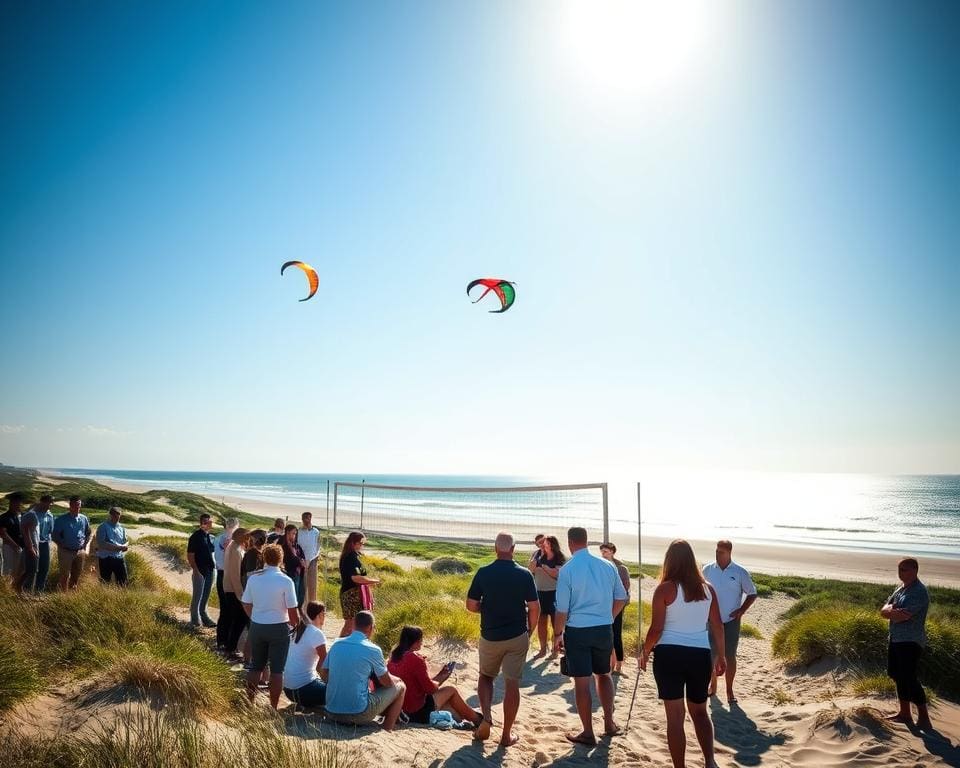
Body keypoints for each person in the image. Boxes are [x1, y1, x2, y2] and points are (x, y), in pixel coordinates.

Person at [640, 540, 726, 768]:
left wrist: (645, 651)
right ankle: (709, 761)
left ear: (669, 560)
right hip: (699, 655)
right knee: (700, 712)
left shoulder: (665, 588)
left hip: (669, 655)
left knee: (675, 718)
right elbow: (717, 624)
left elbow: (656, 628)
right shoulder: (708, 589)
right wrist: (722, 655)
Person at [554, 527, 628, 747]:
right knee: (604, 675)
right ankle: (609, 722)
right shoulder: (607, 565)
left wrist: (558, 634)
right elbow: (621, 597)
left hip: (578, 630)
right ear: (586, 542)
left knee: (581, 682)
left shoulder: (568, 570)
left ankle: (588, 732)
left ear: (570, 543)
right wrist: (609, 617)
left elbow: (562, 611)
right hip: (603, 627)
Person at [465, 531, 539, 747]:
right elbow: (534, 607)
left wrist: (485, 609)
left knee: (486, 677)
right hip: (516, 635)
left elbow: (470, 605)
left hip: (490, 635)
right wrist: (530, 630)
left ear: (495, 549)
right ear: (513, 549)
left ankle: (486, 717)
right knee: (512, 683)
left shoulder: (484, 572)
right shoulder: (524, 574)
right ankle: (506, 735)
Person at [321, 610, 406, 730]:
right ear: (371, 628)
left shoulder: (336, 644)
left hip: (331, 711)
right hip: (358, 713)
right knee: (401, 687)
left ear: (354, 624)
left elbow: (324, 674)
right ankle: (388, 727)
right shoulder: (373, 649)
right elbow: (386, 682)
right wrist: (396, 679)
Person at [240, 543, 301, 709]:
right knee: (277, 670)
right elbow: (292, 611)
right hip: (279, 627)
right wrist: (295, 626)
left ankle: (249, 702)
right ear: (281, 559)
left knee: (256, 666)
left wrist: (255, 616)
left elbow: (245, 602)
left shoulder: (254, 578)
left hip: (258, 626)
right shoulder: (286, 581)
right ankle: (273, 706)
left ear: (264, 558)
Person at [388, 625, 483, 727]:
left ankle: (468, 719)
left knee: (452, 710)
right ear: (416, 642)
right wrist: (442, 678)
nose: (422, 642)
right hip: (417, 712)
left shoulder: (393, 658)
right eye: (421, 639)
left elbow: (419, 686)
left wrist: (440, 676)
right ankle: (478, 719)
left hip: (400, 710)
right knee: (451, 690)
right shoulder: (415, 659)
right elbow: (430, 689)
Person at [702, 539, 757, 703]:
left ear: (729, 553)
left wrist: (741, 610)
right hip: (711, 620)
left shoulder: (740, 572)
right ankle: (713, 685)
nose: (718, 554)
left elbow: (752, 593)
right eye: (717, 551)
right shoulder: (707, 569)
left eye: (722, 552)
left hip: (731, 621)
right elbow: (700, 591)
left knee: (729, 655)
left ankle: (729, 690)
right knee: (710, 655)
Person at [881, 557, 932, 731]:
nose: (901, 573)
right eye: (899, 569)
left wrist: (892, 612)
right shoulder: (900, 589)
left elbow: (903, 616)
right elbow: (884, 610)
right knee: (895, 673)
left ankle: (924, 718)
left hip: (911, 641)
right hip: (895, 638)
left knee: (909, 677)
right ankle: (905, 714)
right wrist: (891, 611)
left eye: (905, 569)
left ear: (915, 571)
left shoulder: (919, 591)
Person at [283, 601, 328, 709]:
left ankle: (308, 703)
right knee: (338, 692)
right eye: (324, 614)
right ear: (320, 615)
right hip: (304, 690)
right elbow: (324, 665)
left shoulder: (298, 630)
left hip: (288, 691)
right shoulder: (317, 634)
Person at [529, 534, 566, 659]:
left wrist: (544, 567)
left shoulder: (559, 557)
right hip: (539, 592)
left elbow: (556, 574)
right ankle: (542, 649)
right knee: (541, 622)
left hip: (554, 592)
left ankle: (555, 651)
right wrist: (538, 557)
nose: (541, 545)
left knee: (556, 623)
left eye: (543, 542)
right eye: (538, 543)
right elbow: (531, 569)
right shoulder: (537, 555)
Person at [338, 531, 380, 637]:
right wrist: (373, 581)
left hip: (358, 594)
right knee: (350, 624)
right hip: (350, 594)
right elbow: (355, 578)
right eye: (360, 543)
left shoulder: (356, 556)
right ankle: (339, 646)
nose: (362, 545)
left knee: (356, 624)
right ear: (354, 543)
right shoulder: (349, 557)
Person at [600, 542, 632, 674]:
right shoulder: (600, 565)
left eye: (606, 551)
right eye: (602, 551)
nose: (603, 554)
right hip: (603, 603)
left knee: (616, 633)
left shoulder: (621, 568)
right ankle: (607, 662)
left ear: (612, 552)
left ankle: (619, 664)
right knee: (604, 632)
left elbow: (625, 587)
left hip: (617, 604)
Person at [51, 495, 92, 590]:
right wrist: (62, 545)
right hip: (66, 552)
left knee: (77, 574)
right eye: (75, 505)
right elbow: (54, 535)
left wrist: (85, 546)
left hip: (80, 551)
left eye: (79, 505)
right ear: (70, 505)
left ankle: (72, 591)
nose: (78, 508)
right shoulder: (61, 520)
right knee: (65, 575)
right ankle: (64, 595)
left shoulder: (83, 518)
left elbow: (88, 533)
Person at [221, 527, 250, 660]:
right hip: (233, 590)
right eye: (246, 536)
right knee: (239, 619)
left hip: (230, 588)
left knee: (235, 619)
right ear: (240, 537)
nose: (247, 539)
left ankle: (230, 647)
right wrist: (241, 594)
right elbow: (235, 575)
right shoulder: (236, 550)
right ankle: (230, 648)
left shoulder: (234, 547)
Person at [19, 494, 55, 594]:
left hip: (45, 544)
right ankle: (25, 591)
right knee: (32, 569)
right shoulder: (31, 514)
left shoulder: (50, 515)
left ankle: (39, 592)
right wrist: (30, 547)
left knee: (44, 568)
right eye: (48, 502)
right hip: (34, 544)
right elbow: (24, 531)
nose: (50, 505)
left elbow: (50, 530)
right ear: (42, 502)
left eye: (51, 503)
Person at [187, 513, 217, 627]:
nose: (207, 524)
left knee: (205, 596)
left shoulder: (210, 537)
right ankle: (194, 621)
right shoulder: (196, 536)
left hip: (210, 570)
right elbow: (190, 555)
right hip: (200, 571)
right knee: (197, 597)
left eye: (209, 522)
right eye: (205, 521)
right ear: (201, 523)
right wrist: (196, 570)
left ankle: (205, 618)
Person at [214, 517, 239, 650]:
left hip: (220, 573)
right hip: (227, 575)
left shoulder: (218, 538)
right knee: (229, 610)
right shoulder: (231, 541)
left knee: (224, 610)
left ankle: (221, 640)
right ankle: (226, 642)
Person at [96, 506, 129, 585]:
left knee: (123, 581)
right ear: (110, 515)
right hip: (106, 558)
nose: (117, 518)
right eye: (115, 516)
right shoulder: (103, 527)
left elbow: (126, 540)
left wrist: (125, 546)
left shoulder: (121, 528)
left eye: (118, 516)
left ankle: (121, 596)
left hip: (119, 557)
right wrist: (119, 547)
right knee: (105, 581)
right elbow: (102, 543)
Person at [0, 491, 25, 588]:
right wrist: (15, 546)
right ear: (11, 503)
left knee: (20, 570)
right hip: (10, 548)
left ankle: (17, 590)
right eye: (14, 502)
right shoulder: (4, 517)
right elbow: (3, 533)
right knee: (9, 570)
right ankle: (6, 591)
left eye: (19, 502)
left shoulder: (23, 516)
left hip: (22, 547)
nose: (17, 504)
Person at [281, 523, 307, 608]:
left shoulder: (296, 546)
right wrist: (299, 561)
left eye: (295, 534)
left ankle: (299, 612)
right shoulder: (282, 546)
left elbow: (302, 557)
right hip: (289, 574)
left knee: (300, 595)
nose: (294, 535)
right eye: (292, 533)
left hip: (298, 574)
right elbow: (288, 560)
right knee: (292, 598)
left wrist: (302, 561)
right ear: (287, 533)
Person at [298, 511, 321, 604]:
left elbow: (318, 547)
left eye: (307, 518)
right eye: (303, 518)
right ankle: (303, 608)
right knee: (303, 586)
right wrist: (301, 560)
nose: (305, 520)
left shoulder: (316, 532)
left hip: (312, 561)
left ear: (310, 518)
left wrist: (311, 559)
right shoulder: (299, 532)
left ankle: (312, 607)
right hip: (301, 562)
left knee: (312, 586)